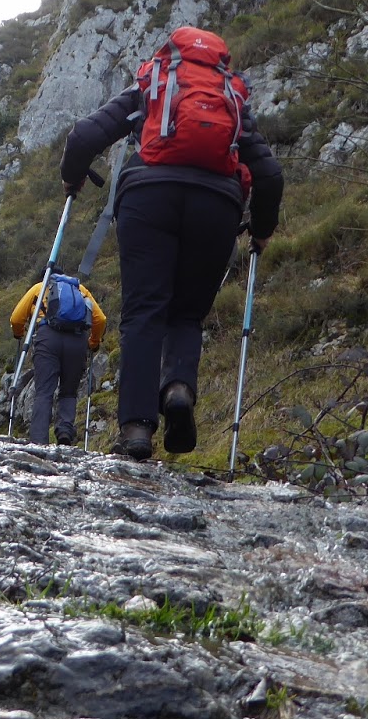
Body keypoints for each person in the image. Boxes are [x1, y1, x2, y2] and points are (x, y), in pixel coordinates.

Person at [60, 25, 283, 461]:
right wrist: (261, 228)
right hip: (217, 205)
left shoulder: (153, 82)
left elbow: (84, 136)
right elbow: (270, 174)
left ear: (170, 52)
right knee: (186, 313)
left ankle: (137, 431)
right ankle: (178, 387)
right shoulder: (233, 98)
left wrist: (73, 176)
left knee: (145, 311)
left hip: (148, 198)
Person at [9, 266, 107, 445]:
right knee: (69, 391)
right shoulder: (80, 290)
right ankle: (64, 431)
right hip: (77, 341)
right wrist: (93, 342)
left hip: (48, 339)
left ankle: (39, 439)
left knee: (44, 391)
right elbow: (100, 319)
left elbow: (16, 318)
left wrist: (19, 333)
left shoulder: (39, 288)